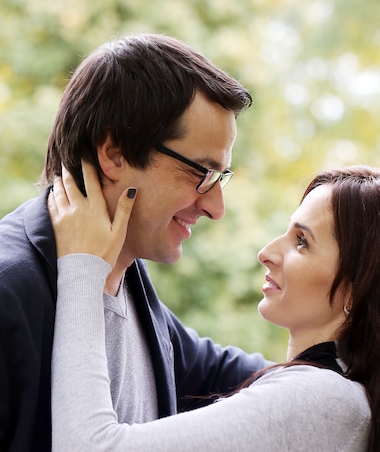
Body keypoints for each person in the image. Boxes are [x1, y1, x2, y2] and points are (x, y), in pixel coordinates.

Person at [0, 34, 267, 452]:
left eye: (221, 177)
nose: (217, 207)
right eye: (202, 172)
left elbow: (235, 375)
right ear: (115, 153)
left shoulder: (128, 277)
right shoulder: (9, 291)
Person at [49, 161, 380, 451]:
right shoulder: (336, 398)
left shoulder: (321, 400)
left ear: (355, 288)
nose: (266, 252)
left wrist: (83, 265)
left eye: (302, 242)